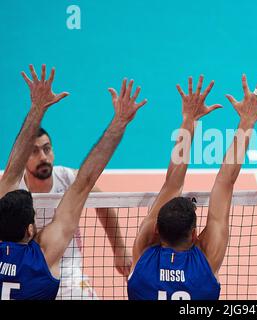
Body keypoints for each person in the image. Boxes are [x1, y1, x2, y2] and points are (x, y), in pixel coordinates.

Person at [0, 66, 147, 300]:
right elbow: (84, 182)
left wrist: (36, 108)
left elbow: (9, 175)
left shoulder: (57, 179)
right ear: (31, 229)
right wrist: (119, 122)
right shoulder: (44, 253)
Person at [127, 74, 257, 300]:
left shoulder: (143, 255)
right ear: (195, 234)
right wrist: (247, 121)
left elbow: (172, 183)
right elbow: (225, 182)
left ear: (156, 230)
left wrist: (189, 119)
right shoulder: (206, 261)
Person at [18, 127, 132, 299]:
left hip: (69, 274)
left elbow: (104, 204)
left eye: (47, 149)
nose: (43, 157)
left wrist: (119, 248)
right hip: (29, 274)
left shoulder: (68, 179)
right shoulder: (15, 190)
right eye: (34, 151)